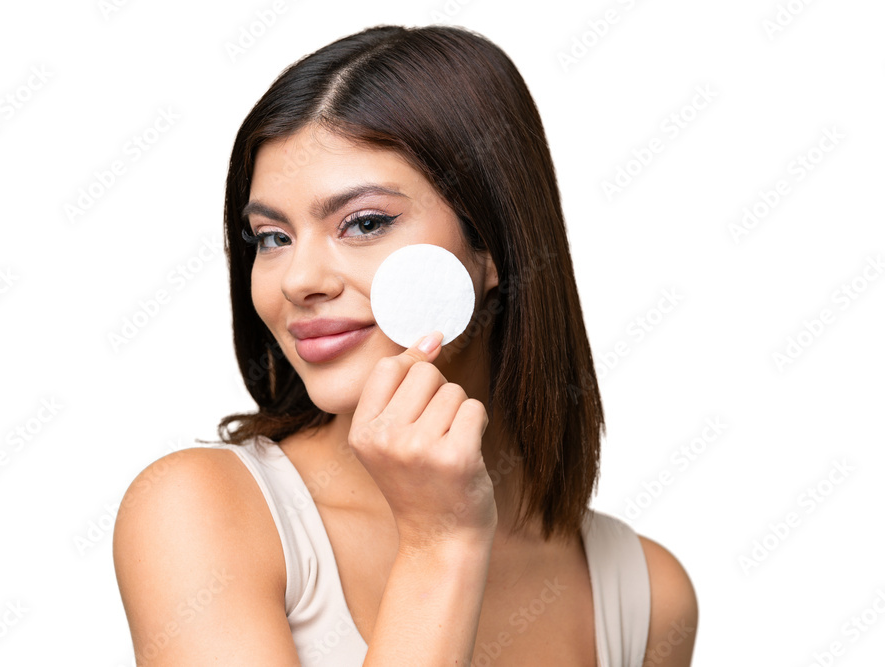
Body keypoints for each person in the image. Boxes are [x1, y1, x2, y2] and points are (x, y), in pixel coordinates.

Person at [113, 24, 697, 666]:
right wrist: (440, 544)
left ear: (494, 245)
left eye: (363, 224)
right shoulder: (200, 514)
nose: (299, 280)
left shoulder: (645, 597)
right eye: (271, 237)